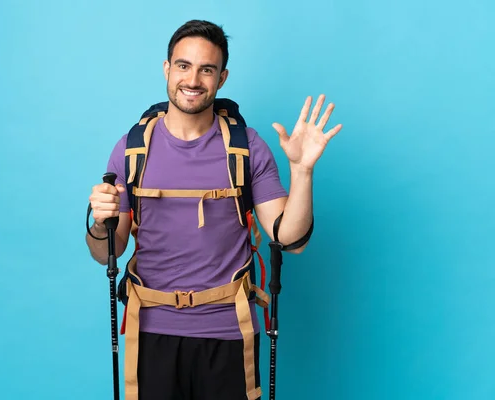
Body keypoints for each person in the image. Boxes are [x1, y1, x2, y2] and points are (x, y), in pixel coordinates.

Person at [86, 19, 342, 400]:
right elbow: (109, 250)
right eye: (184, 66)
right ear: (167, 69)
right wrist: (100, 222)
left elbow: (290, 239)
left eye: (206, 69)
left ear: (221, 78)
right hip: (152, 331)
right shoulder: (131, 148)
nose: (193, 79)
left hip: (229, 331)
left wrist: (302, 172)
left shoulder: (247, 147)